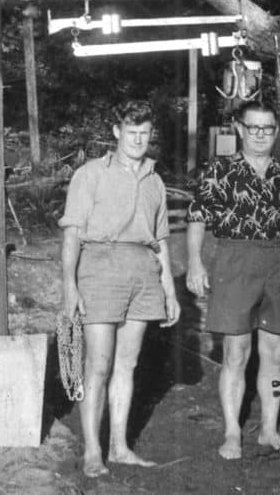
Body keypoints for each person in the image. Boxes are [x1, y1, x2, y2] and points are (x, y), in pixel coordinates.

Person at [185, 100, 280, 460]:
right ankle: (232, 433)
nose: (260, 135)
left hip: (279, 261)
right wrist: (195, 263)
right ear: (240, 129)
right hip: (235, 261)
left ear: (276, 132)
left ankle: (269, 431)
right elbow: (197, 217)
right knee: (235, 353)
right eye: (253, 127)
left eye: (268, 129)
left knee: (275, 353)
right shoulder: (220, 169)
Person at [59, 100, 180, 478]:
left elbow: (161, 240)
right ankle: (93, 451)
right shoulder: (90, 174)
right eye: (131, 133)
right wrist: (69, 286)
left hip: (143, 271)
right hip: (99, 268)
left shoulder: (155, 180)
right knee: (98, 364)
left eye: (144, 133)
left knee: (127, 364)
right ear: (116, 132)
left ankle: (120, 446)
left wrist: (170, 290)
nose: (138, 140)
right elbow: (72, 234)